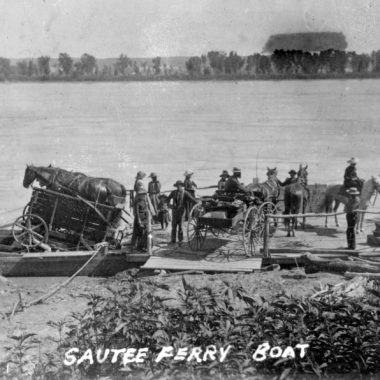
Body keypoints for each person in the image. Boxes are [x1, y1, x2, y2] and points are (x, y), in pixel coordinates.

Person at [167, 180, 197, 246]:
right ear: (176, 186)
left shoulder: (185, 193)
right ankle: (173, 240)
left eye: (180, 185)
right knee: (173, 226)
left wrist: (198, 203)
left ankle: (180, 240)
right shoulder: (173, 192)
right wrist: (170, 205)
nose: (178, 187)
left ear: (182, 186)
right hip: (174, 212)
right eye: (177, 185)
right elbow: (167, 199)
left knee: (180, 226)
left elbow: (192, 199)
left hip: (182, 212)